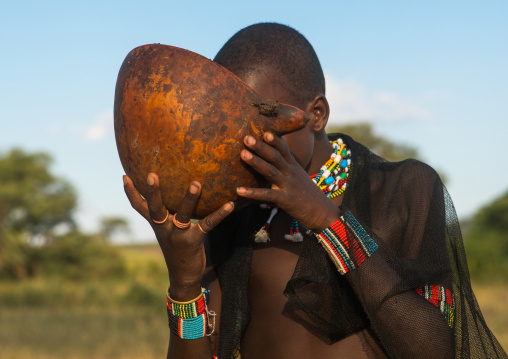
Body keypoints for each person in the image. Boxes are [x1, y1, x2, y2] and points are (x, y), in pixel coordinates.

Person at [123, 23, 507, 359]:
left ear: (317, 114)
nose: (243, 136)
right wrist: (185, 282)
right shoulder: (236, 212)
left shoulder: (403, 188)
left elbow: (437, 350)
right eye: (227, 121)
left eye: (260, 117)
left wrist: (327, 221)